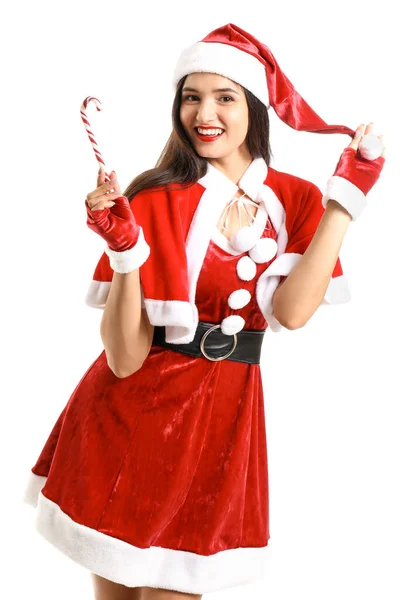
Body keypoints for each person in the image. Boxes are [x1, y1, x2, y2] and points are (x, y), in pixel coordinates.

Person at [23, 23, 385, 600]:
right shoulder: (151, 197)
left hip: (224, 420)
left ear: (255, 107)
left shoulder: (295, 200)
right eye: (191, 97)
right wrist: (124, 253)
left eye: (225, 96)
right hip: (129, 416)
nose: (204, 113)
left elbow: (292, 314)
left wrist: (345, 199)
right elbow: (123, 358)